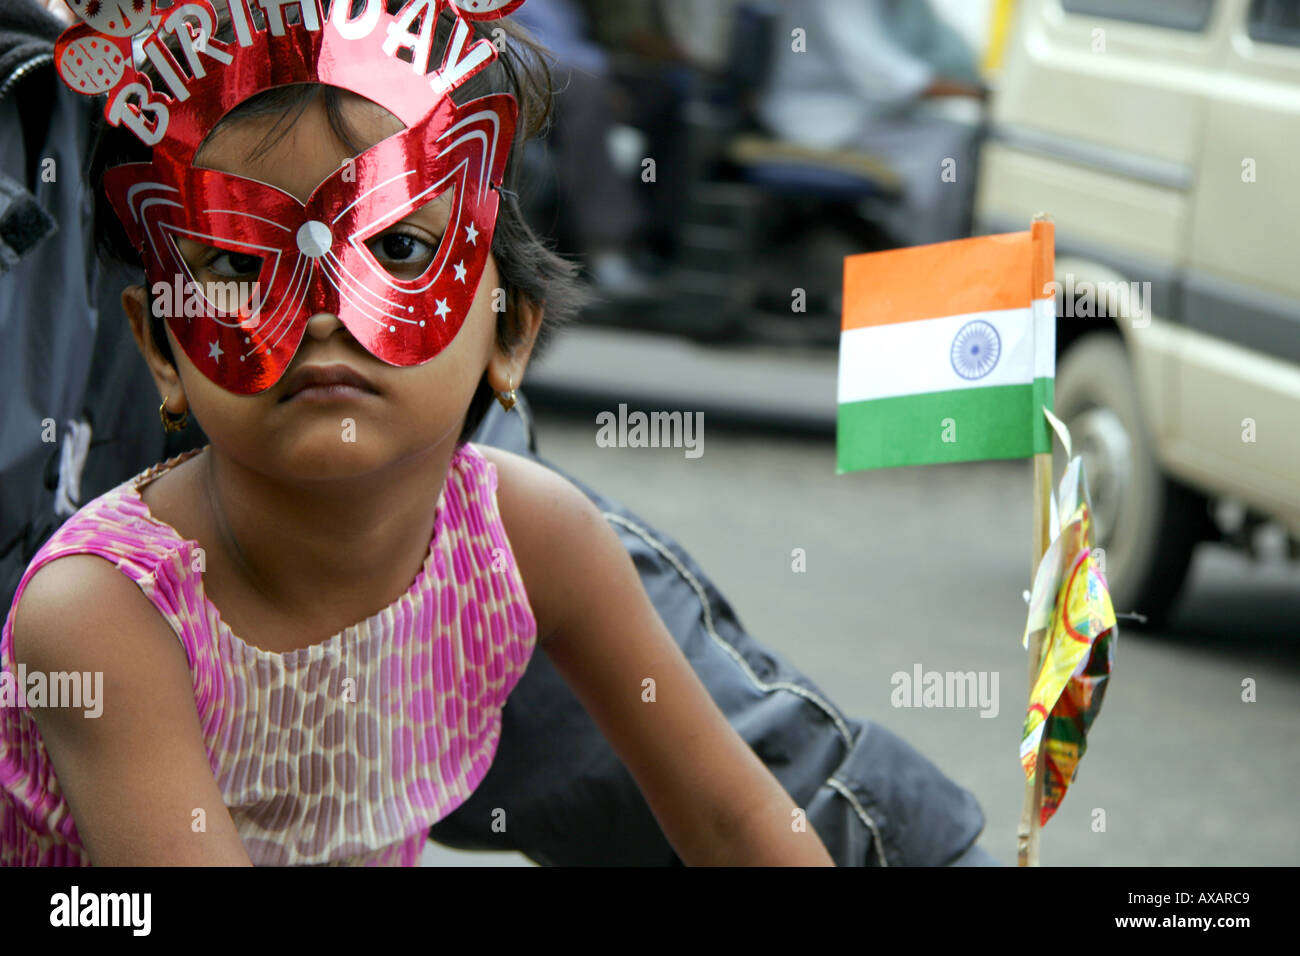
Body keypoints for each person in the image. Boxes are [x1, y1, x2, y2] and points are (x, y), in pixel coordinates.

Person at [0, 0, 995, 866]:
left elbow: (738, 825)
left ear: (509, 330)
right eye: (242, 263)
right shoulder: (103, 612)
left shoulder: (526, 542)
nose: (322, 308)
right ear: (162, 347)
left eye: (397, 247)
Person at [757, 0, 987, 248]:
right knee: (949, 144)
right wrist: (976, 93)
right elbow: (879, 72)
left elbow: (948, 50)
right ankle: (920, 255)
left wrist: (981, 84)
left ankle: (919, 251)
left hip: (868, 117)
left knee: (959, 136)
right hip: (819, 120)